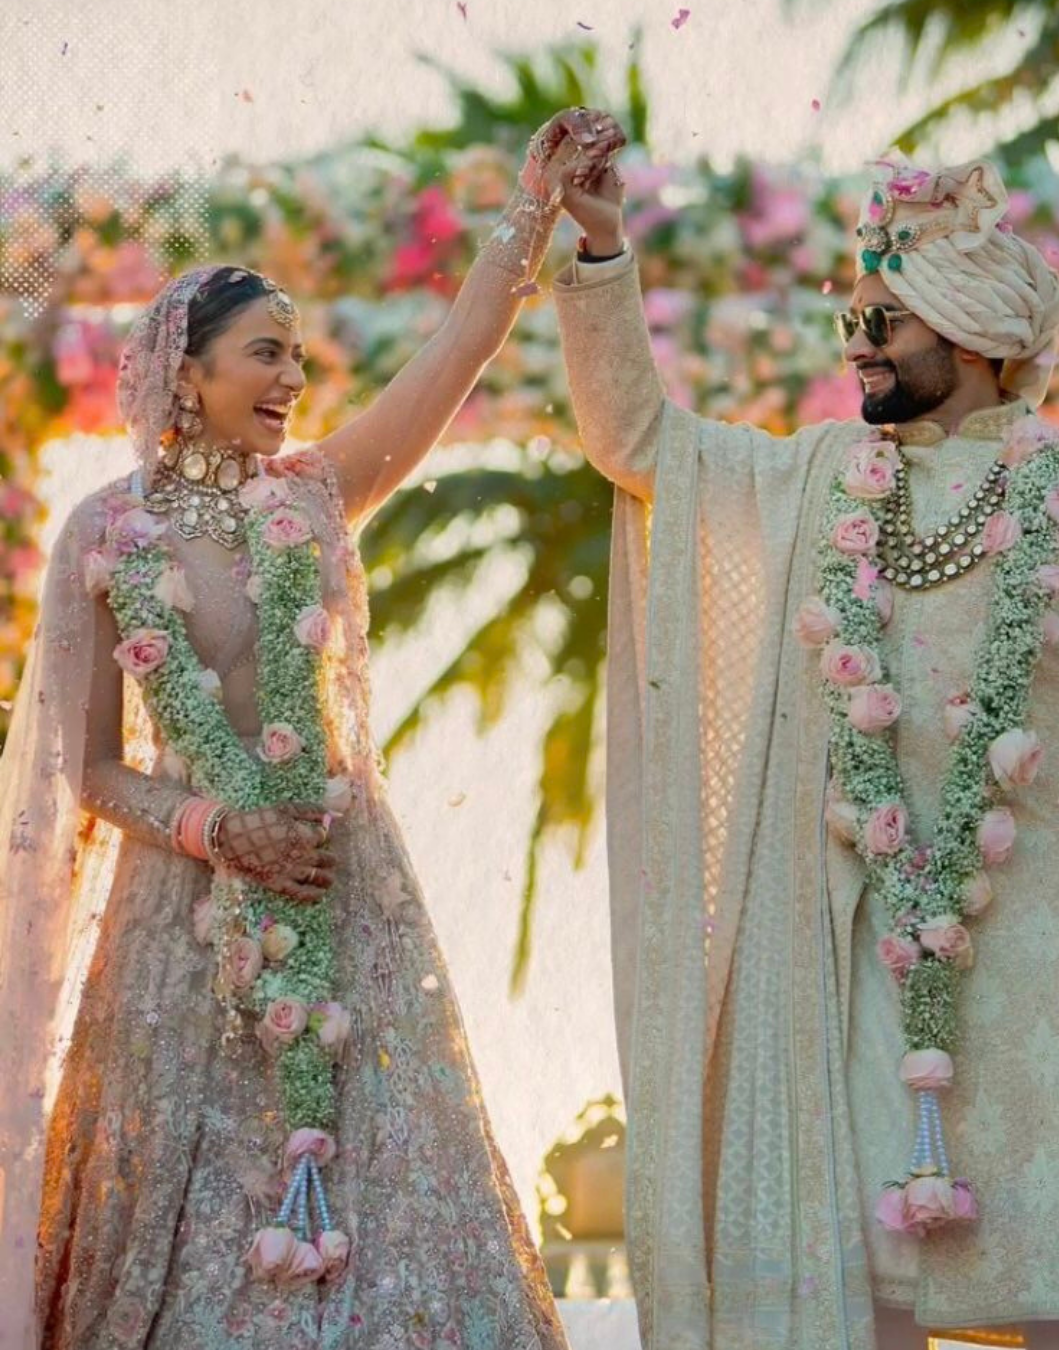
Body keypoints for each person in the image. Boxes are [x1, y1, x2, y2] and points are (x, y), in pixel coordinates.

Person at [0, 108, 625, 1350]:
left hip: (346, 888)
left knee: (393, 1222)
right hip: (182, 919)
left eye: (297, 356)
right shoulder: (106, 534)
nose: (293, 380)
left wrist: (539, 205)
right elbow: (90, 768)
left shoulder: (319, 496)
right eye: (265, 355)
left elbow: (457, 351)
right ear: (187, 373)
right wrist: (215, 826)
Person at [550, 140, 1059, 1350]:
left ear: (976, 335)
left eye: (884, 322)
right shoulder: (825, 482)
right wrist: (602, 251)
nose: (858, 346)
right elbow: (640, 441)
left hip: (1048, 966)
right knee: (869, 1301)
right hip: (865, 958)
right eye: (853, 320)